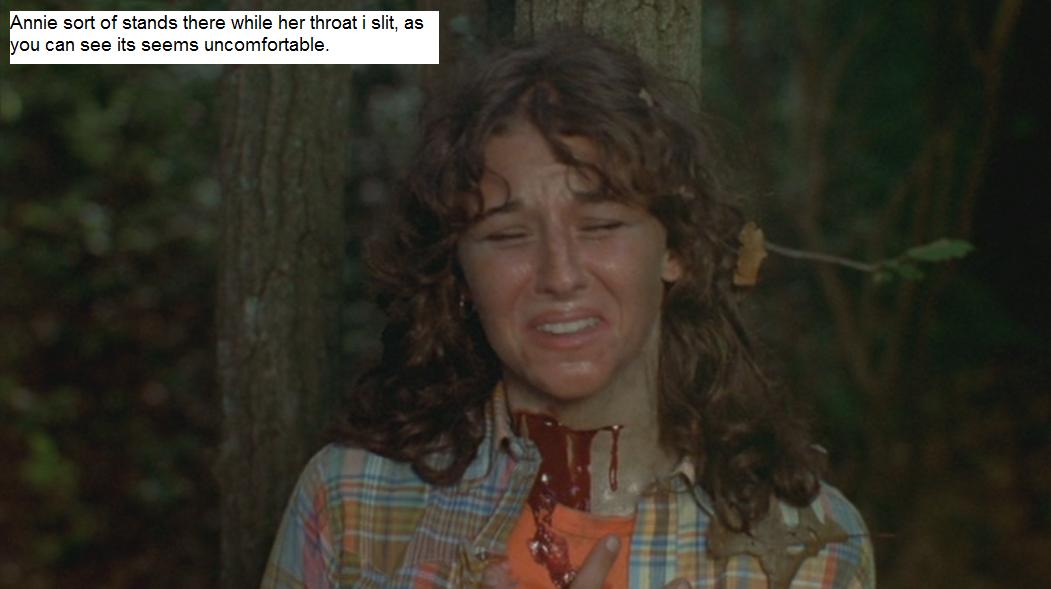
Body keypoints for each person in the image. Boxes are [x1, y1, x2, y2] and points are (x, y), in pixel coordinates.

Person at [261, 31, 874, 589]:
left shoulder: (814, 547)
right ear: (459, 273)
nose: (560, 275)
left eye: (601, 226)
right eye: (507, 236)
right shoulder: (352, 504)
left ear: (676, 251)